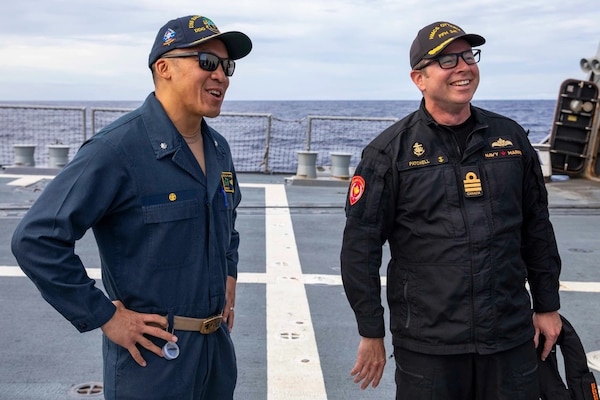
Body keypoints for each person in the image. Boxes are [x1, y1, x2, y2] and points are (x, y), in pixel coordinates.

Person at [11, 14, 251, 400]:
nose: (221, 75)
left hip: (215, 355)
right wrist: (105, 316)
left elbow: (229, 223)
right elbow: (36, 240)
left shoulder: (218, 149)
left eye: (227, 66)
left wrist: (229, 275)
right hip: (153, 362)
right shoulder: (117, 150)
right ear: (164, 68)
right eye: (207, 62)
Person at [340, 21, 563, 399]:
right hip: (430, 345)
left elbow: (536, 228)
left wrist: (547, 305)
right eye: (447, 59)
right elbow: (360, 249)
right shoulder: (388, 153)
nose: (463, 66)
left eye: (468, 55)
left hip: (508, 336)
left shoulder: (510, 139)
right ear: (419, 78)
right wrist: (371, 330)